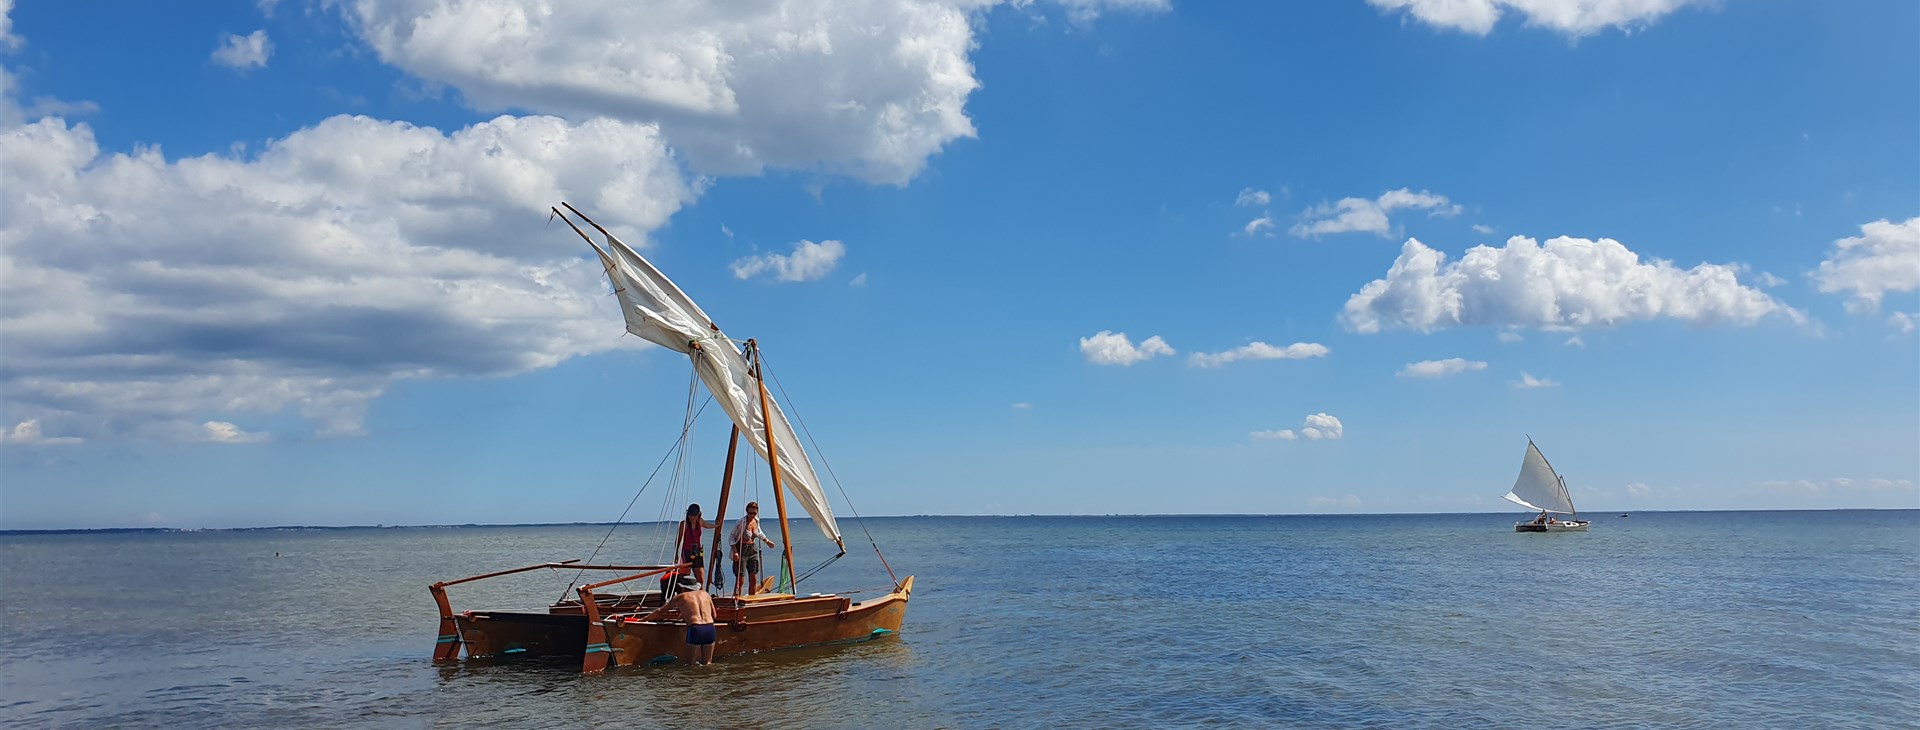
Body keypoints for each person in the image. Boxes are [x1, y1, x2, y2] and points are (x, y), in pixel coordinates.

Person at [643, 572, 717, 666]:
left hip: (695, 629)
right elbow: (714, 615)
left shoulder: (680, 597)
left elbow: (660, 611)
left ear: (682, 587)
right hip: (710, 628)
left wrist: (643, 619)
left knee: (691, 664)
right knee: (708, 663)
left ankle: (692, 680)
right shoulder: (706, 594)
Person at [729, 501, 778, 597]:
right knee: (740, 578)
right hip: (741, 549)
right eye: (750, 513)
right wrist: (735, 551)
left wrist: (767, 541)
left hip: (752, 549)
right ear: (747, 512)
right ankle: (737, 597)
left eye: (754, 513)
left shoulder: (756, 521)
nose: (752, 515)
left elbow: (759, 532)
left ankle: (752, 597)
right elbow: (731, 537)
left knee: (753, 576)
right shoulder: (741, 522)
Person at [678, 504, 718, 586]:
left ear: (698, 515)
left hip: (697, 551)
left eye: (694, 516)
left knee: (700, 578)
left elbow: (707, 525)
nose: (692, 518)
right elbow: (679, 540)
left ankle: (700, 594)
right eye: (690, 515)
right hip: (686, 551)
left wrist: (716, 525)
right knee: (685, 578)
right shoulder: (684, 524)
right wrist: (677, 555)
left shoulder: (700, 521)